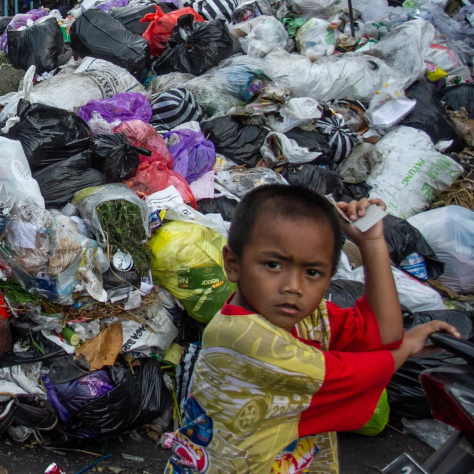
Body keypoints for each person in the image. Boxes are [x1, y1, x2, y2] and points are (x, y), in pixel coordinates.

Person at [164, 185, 461, 474]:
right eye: (273, 265)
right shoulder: (241, 337)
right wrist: (408, 346)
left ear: (331, 275)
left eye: (313, 273)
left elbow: (384, 333)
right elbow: (353, 375)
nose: (293, 287)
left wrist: (371, 243)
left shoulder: (304, 316)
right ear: (233, 264)